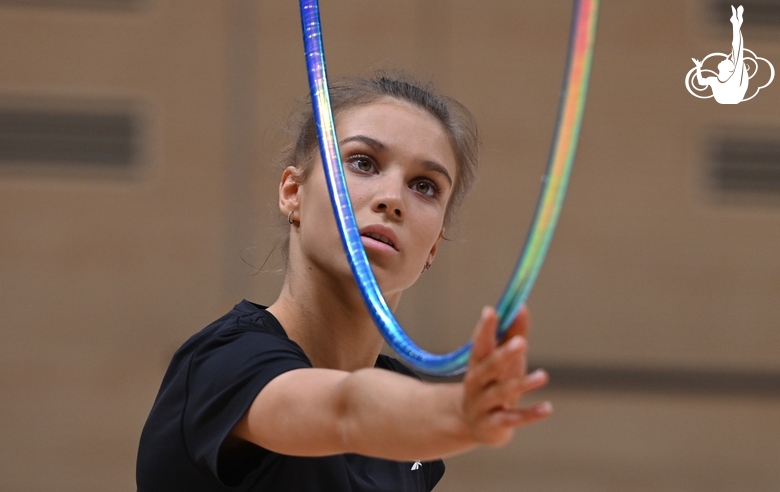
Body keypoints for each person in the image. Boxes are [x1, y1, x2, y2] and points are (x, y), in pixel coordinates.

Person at [136, 74, 552, 491]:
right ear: (293, 192)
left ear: (433, 248)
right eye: (363, 162)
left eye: (424, 186)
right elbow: (345, 411)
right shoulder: (223, 362)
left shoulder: (410, 408)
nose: (392, 199)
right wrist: (459, 413)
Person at [692, 5, 748, 104]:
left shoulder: (732, 78)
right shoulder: (717, 80)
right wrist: (698, 67)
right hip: (728, 98)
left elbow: (737, 49)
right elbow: (701, 82)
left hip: (731, 97)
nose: (725, 59)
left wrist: (736, 26)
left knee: (737, 50)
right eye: (728, 60)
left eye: (727, 61)